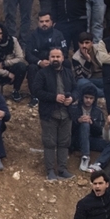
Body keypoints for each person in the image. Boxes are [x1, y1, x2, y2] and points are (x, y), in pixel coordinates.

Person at [32, 48, 76, 181]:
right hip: (49, 114)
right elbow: (36, 91)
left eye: (58, 56)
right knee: (49, 143)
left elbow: (76, 89)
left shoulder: (69, 73)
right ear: (49, 58)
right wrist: (54, 97)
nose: (55, 59)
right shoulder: (42, 73)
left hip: (66, 113)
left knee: (64, 142)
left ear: (63, 58)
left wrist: (72, 98)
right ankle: (50, 171)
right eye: (53, 57)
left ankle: (62, 169)